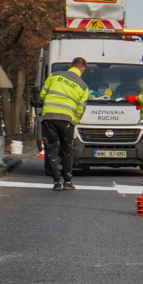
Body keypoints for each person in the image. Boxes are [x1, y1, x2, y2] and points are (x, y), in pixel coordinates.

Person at [36, 56, 88, 191]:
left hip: (49, 116)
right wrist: (74, 121)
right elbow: (80, 108)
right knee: (67, 150)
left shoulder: (55, 76)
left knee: (51, 148)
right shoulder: (83, 86)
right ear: (83, 69)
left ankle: (57, 181)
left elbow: (42, 95)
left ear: (71, 65)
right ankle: (68, 181)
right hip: (66, 120)